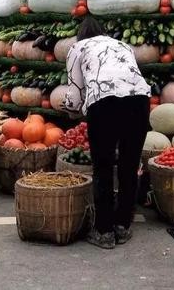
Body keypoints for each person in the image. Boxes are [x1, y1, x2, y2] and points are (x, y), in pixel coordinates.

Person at [64, 16, 150, 249]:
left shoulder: (77, 48)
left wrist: (72, 110)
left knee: (102, 166)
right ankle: (123, 225)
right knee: (129, 164)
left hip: (104, 102)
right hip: (139, 100)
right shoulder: (122, 45)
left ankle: (104, 231)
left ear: (81, 35)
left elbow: (73, 94)